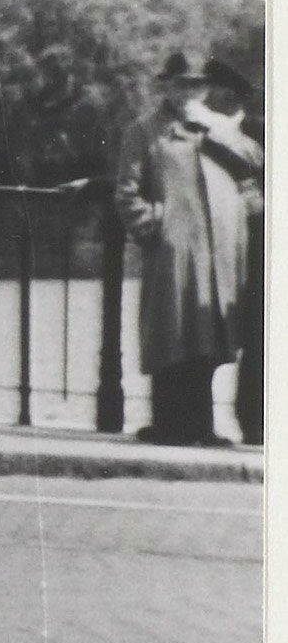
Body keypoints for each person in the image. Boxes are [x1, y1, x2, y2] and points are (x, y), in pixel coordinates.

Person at [118, 53, 252, 447]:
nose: (188, 93)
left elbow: (253, 164)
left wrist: (215, 127)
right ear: (167, 87)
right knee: (172, 335)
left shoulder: (219, 127)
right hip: (173, 250)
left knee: (209, 336)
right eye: (181, 84)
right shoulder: (144, 132)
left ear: (205, 89)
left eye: (196, 85)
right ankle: (169, 426)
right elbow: (127, 191)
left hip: (217, 251)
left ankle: (202, 428)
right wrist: (154, 227)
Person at [205, 54, 266, 446]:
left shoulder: (253, 134)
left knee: (259, 335)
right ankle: (238, 420)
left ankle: (253, 422)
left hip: (256, 247)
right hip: (232, 247)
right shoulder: (208, 133)